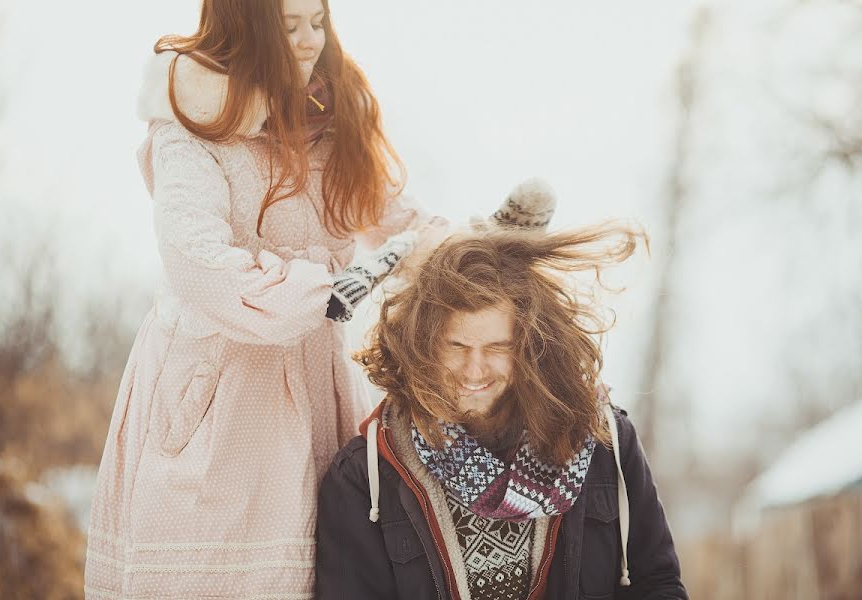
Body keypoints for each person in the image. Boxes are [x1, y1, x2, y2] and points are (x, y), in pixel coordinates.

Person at [85, 0, 437, 597]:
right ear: (245, 26)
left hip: (312, 393)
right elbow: (200, 265)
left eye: (317, 23)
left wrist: (478, 242)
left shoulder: (333, 120)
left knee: (315, 575)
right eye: (289, 25)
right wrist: (321, 294)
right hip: (216, 392)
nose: (308, 41)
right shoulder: (193, 122)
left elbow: (407, 225)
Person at [315, 226, 689, 599]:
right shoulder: (366, 477)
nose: (474, 370)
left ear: (530, 345)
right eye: (457, 345)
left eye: (497, 347)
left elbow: (658, 584)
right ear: (423, 344)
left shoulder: (604, 439)